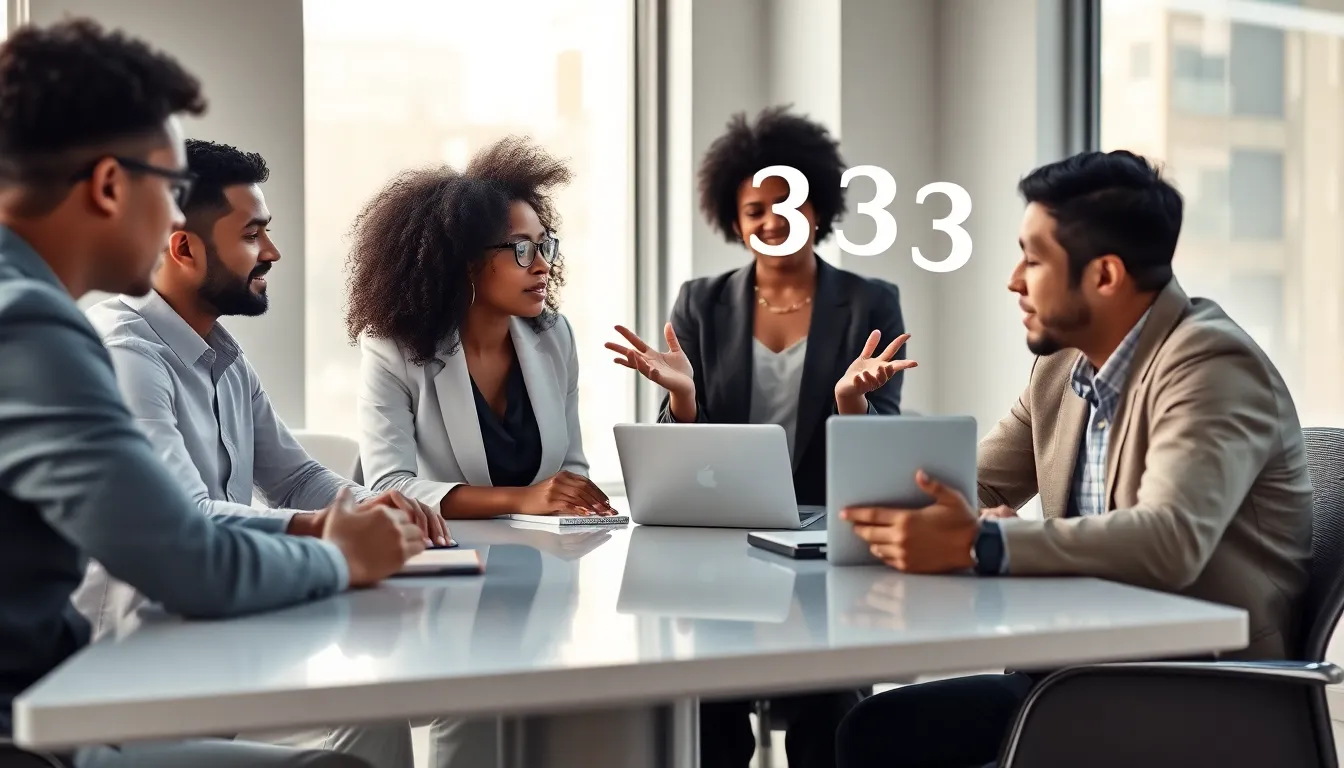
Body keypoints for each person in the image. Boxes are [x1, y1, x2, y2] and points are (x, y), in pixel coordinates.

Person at [0, 18, 424, 768]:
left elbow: (275, 482)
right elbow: (192, 558)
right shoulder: (36, 328)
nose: (172, 216)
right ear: (108, 186)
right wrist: (339, 555)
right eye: (168, 192)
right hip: (43, 729)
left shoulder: (33, 311)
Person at [834, 150, 1313, 768]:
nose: (1013, 280)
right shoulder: (1063, 364)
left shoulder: (1211, 365)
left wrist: (987, 546)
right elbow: (965, 486)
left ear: (1105, 276)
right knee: (872, 733)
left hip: (1197, 692)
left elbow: (1171, 539)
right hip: (1075, 677)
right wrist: (854, 416)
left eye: (1033, 259)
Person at [79, 139, 449, 768]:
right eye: (253, 234)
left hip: (219, 637)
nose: (272, 252)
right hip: (136, 674)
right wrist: (332, 531)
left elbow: (295, 476)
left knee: (373, 714)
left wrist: (370, 506)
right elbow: (187, 516)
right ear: (183, 246)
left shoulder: (221, 354)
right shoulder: (127, 353)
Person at [605, 106, 914, 768]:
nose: (772, 219)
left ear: (817, 204)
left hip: (826, 549)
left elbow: (881, 448)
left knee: (832, 711)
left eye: (787, 199)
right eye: (754, 209)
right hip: (726, 548)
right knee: (706, 711)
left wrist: (849, 404)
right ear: (734, 220)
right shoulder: (699, 303)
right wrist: (683, 400)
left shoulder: (871, 302)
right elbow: (679, 459)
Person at [347, 136, 610, 767]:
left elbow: (570, 467)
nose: (542, 263)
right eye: (521, 249)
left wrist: (577, 503)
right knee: (468, 714)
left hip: (541, 577)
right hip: (439, 583)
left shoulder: (553, 336)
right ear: (466, 263)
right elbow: (392, 484)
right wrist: (524, 500)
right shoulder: (394, 347)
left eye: (546, 245)